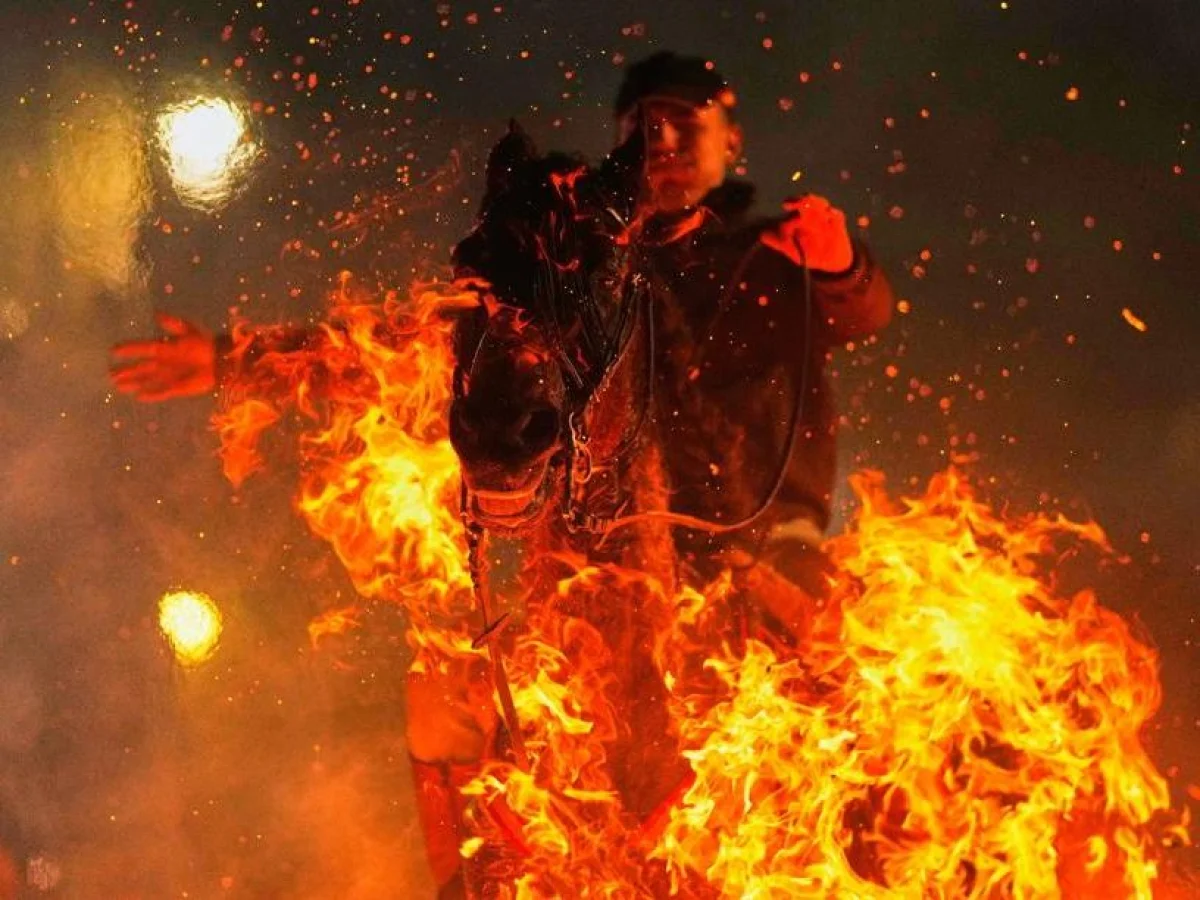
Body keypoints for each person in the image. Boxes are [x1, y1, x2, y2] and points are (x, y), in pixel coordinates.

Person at [110, 51, 894, 897]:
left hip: (762, 547)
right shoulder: (575, 264)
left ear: (728, 141)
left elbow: (860, 310)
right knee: (445, 702)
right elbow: (403, 348)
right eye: (643, 123)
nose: (661, 138)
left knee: (858, 709)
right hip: (598, 575)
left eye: (685, 121)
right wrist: (231, 357)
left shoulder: (772, 257)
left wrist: (841, 262)